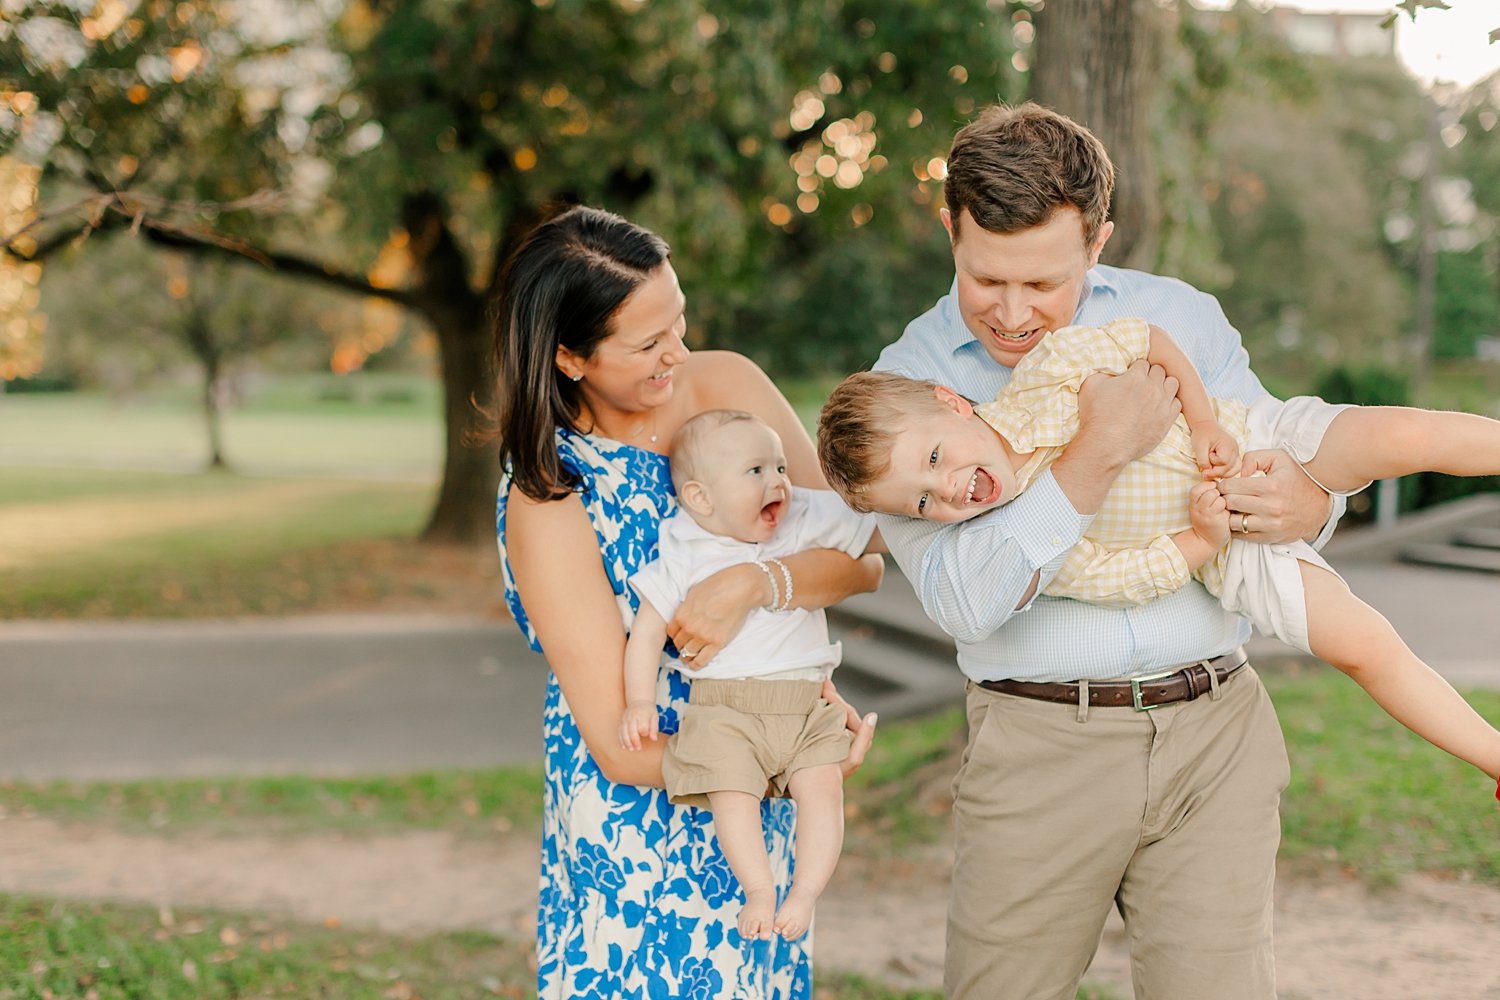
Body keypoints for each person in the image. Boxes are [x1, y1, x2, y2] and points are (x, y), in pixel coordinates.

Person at [861, 101, 1351, 1000]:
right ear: (949, 230)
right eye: (985, 279)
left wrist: (1312, 502)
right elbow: (966, 599)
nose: (1012, 315)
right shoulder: (905, 392)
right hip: (1038, 745)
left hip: (1215, 731)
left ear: (1098, 241)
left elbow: (1272, 457)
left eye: (1043, 282)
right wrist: (1096, 453)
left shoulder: (1181, 316)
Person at [817, 316, 1500, 787]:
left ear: (952, 401)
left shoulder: (1047, 372)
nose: (949, 489)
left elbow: (1147, 339)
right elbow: (1126, 577)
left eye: (935, 458)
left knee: (1404, 436)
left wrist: (1203, 420)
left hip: (1250, 438)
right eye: (924, 503)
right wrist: (1202, 539)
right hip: (1233, 550)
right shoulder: (1038, 541)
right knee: (1363, 645)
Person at [494, 204, 882, 999]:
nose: (678, 352)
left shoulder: (728, 386)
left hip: (758, 782)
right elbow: (613, 742)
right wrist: (779, 763)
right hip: (639, 817)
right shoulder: (550, 492)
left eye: (678, 320)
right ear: (570, 357)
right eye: (646, 344)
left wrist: (756, 584)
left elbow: (861, 558)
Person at [619, 409, 878, 942]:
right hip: (725, 709)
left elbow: (880, 527)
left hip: (806, 703)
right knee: (730, 793)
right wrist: (639, 701)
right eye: (755, 470)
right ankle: (760, 889)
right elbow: (646, 632)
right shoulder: (684, 547)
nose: (778, 480)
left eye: (779, 466)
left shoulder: (801, 515)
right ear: (700, 499)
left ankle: (805, 892)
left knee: (823, 789)